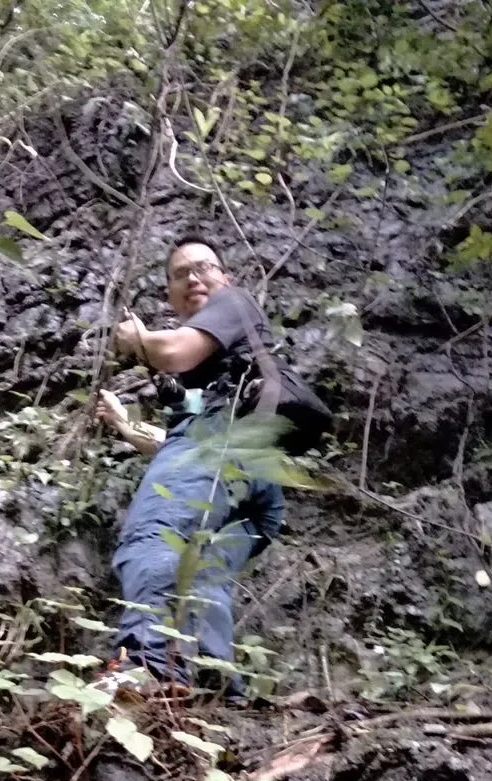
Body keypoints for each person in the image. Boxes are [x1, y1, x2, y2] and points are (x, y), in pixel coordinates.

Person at [96, 237, 331, 697]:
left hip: (224, 448)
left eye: (204, 267)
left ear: (226, 279)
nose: (194, 278)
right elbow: (180, 449)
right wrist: (126, 426)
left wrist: (136, 340)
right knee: (202, 573)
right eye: (180, 274)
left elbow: (171, 354)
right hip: (255, 482)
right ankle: (216, 690)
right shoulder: (214, 372)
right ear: (170, 292)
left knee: (156, 536)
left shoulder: (233, 303)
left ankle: (148, 668)